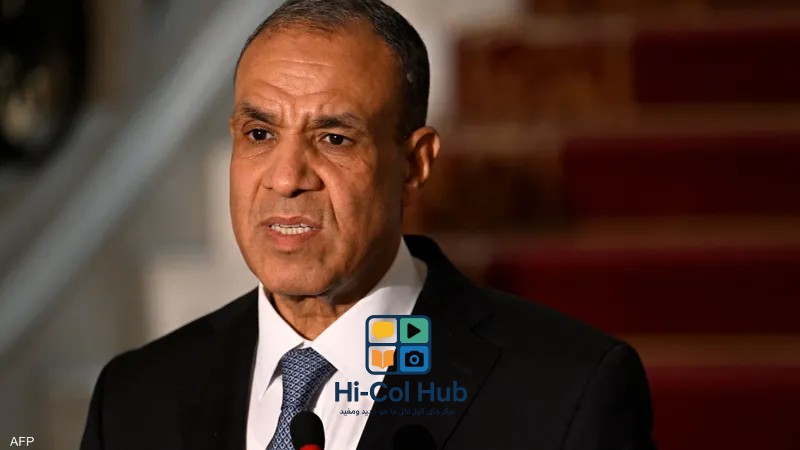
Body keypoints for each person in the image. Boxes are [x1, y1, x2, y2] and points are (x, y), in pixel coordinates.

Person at [80, 0, 655, 449]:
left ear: (414, 164)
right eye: (259, 134)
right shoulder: (134, 398)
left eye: (334, 138)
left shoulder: (565, 391)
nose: (286, 178)